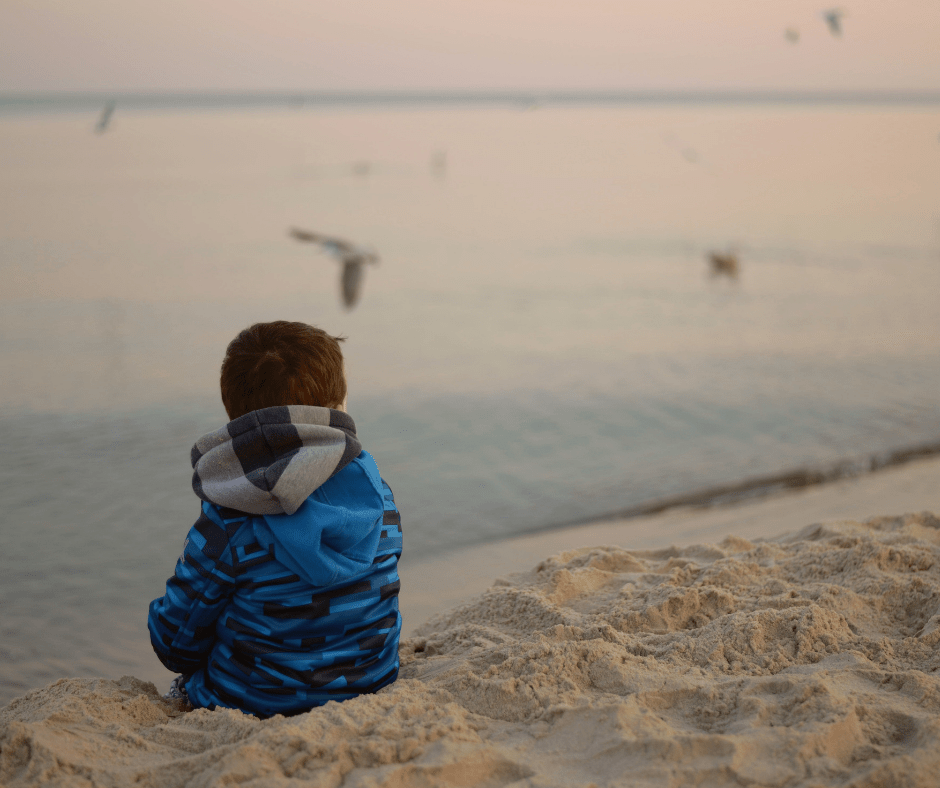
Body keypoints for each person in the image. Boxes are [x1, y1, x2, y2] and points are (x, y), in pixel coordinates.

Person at [148, 321, 402, 718]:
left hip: (255, 703)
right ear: (338, 408)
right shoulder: (376, 494)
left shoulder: (231, 518)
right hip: (373, 684)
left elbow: (174, 643)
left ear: (236, 419)